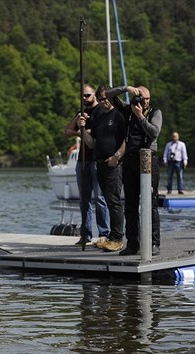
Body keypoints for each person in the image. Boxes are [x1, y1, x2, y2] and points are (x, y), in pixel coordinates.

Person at [105, 85, 163, 256]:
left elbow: (154, 132)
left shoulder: (154, 112)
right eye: (141, 98)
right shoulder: (127, 109)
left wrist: (140, 116)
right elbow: (108, 95)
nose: (144, 102)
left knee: (150, 204)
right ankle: (133, 244)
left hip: (148, 161)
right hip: (130, 160)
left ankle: (154, 243)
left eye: (147, 99)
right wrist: (127, 89)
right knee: (130, 205)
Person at [79, 86, 126, 252]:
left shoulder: (119, 114)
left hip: (114, 164)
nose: (104, 101)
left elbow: (126, 139)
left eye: (106, 98)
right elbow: (91, 143)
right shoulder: (99, 117)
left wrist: (117, 157)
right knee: (106, 199)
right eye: (101, 99)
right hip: (99, 163)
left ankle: (117, 238)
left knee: (113, 201)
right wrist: (82, 128)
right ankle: (110, 237)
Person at [63, 84, 110, 246]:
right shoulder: (81, 113)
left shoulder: (100, 112)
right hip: (82, 161)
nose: (84, 98)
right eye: (82, 96)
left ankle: (104, 233)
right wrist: (78, 123)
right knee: (84, 199)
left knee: (100, 198)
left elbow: (94, 133)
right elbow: (67, 131)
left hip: (96, 160)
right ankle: (86, 234)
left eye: (87, 95)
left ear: (94, 96)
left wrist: (83, 129)